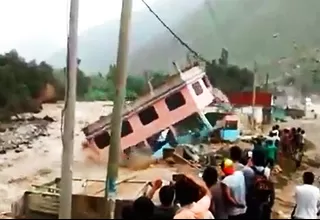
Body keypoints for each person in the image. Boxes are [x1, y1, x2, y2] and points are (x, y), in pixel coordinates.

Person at [243, 151, 274, 219]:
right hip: (264, 202)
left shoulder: (247, 170)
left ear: (253, 159)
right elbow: (271, 187)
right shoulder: (267, 171)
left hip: (251, 201)